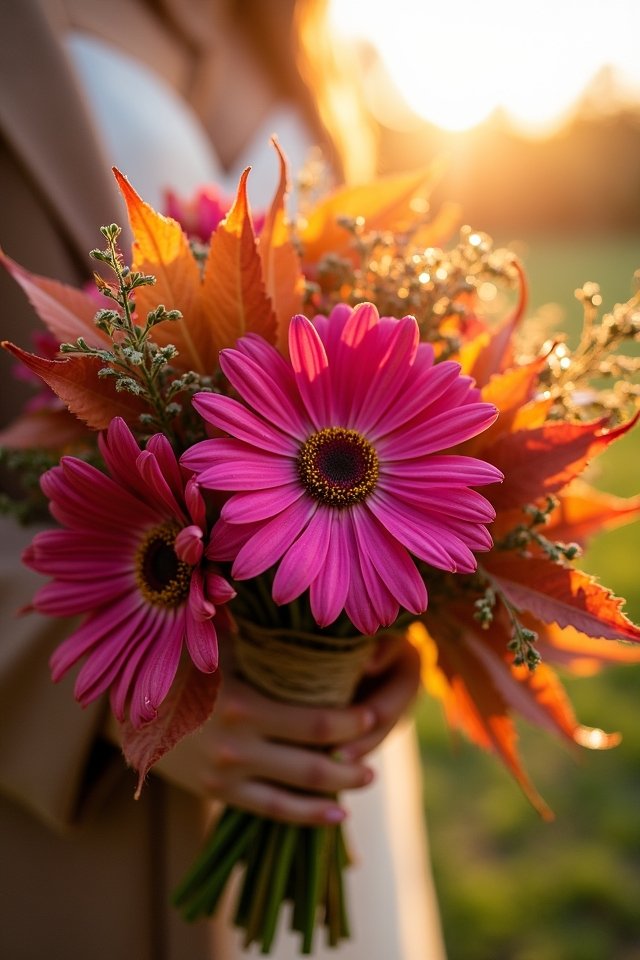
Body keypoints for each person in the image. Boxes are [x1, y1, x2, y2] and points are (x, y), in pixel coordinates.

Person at [0, 2, 447, 958]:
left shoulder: (301, 36)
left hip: (330, 760)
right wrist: (127, 701)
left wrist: (375, 640)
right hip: (94, 785)